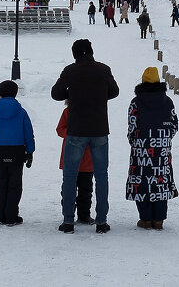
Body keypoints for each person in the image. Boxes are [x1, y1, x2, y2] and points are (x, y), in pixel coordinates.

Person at [51, 39, 119, 234]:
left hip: (76, 131)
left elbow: (56, 94)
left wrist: (75, 95)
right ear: (91, 52)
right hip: (99, 130)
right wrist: (97, 96)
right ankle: (102, 222)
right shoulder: (103, 69)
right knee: (101, 176)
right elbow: (114, 92)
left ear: (74, 55)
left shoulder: (70, 71)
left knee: (70, 176)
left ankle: (68, 222)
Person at [126, 67, 178, 229]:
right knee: (160, 182)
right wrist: (165, 139)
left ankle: (146, 219)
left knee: (141, 182)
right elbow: (174, 125)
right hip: (161, 150)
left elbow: (132, 126)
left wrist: (134, 141)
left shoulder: (135, 102)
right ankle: (159, 219)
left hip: (141, 149)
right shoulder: (168, 101)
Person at [0, 80, 35, 226]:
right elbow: (28, 133)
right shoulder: (22, 112)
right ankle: (12, 216)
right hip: (17, 152)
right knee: (14, 185)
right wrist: (29, 152)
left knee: (0, 184)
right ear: (15, 93)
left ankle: (1, 217)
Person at [57, 103, 95, 225]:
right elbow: (60, 129)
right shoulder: (68, 111)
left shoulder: (70, 111)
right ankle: (70, 214)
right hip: (80, 158)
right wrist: (73, 135)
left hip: (83, 158)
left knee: (85, 189)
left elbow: (60, 129)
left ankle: (83, 215)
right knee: (71, 189)